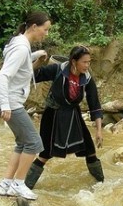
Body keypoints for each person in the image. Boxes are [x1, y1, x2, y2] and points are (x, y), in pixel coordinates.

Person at [24, 45, 105, 190]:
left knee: (90, 149)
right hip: (53, 115)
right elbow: (31, 75)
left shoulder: (86, 78)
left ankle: (102, 184)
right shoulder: (58, 70)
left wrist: (99, 131)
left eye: (89, 62)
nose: (87, 66)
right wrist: (38, 62)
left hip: (73, 115)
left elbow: (95, 104)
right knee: (45, 153)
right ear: (74, 61)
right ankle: (25, 186)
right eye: (84, 62)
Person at [0, 11, 51, 200]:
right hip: (10, 101)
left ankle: (6, 184)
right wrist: (6, 105)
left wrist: (37, 55)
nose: (46, 33)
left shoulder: (20, 43)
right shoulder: (20, 48)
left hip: (9, 100)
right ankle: (19, 184)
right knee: (35, 143)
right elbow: (3, 75)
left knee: (22, 142)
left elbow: (22, 65)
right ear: (34, 27)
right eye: (45, 29)